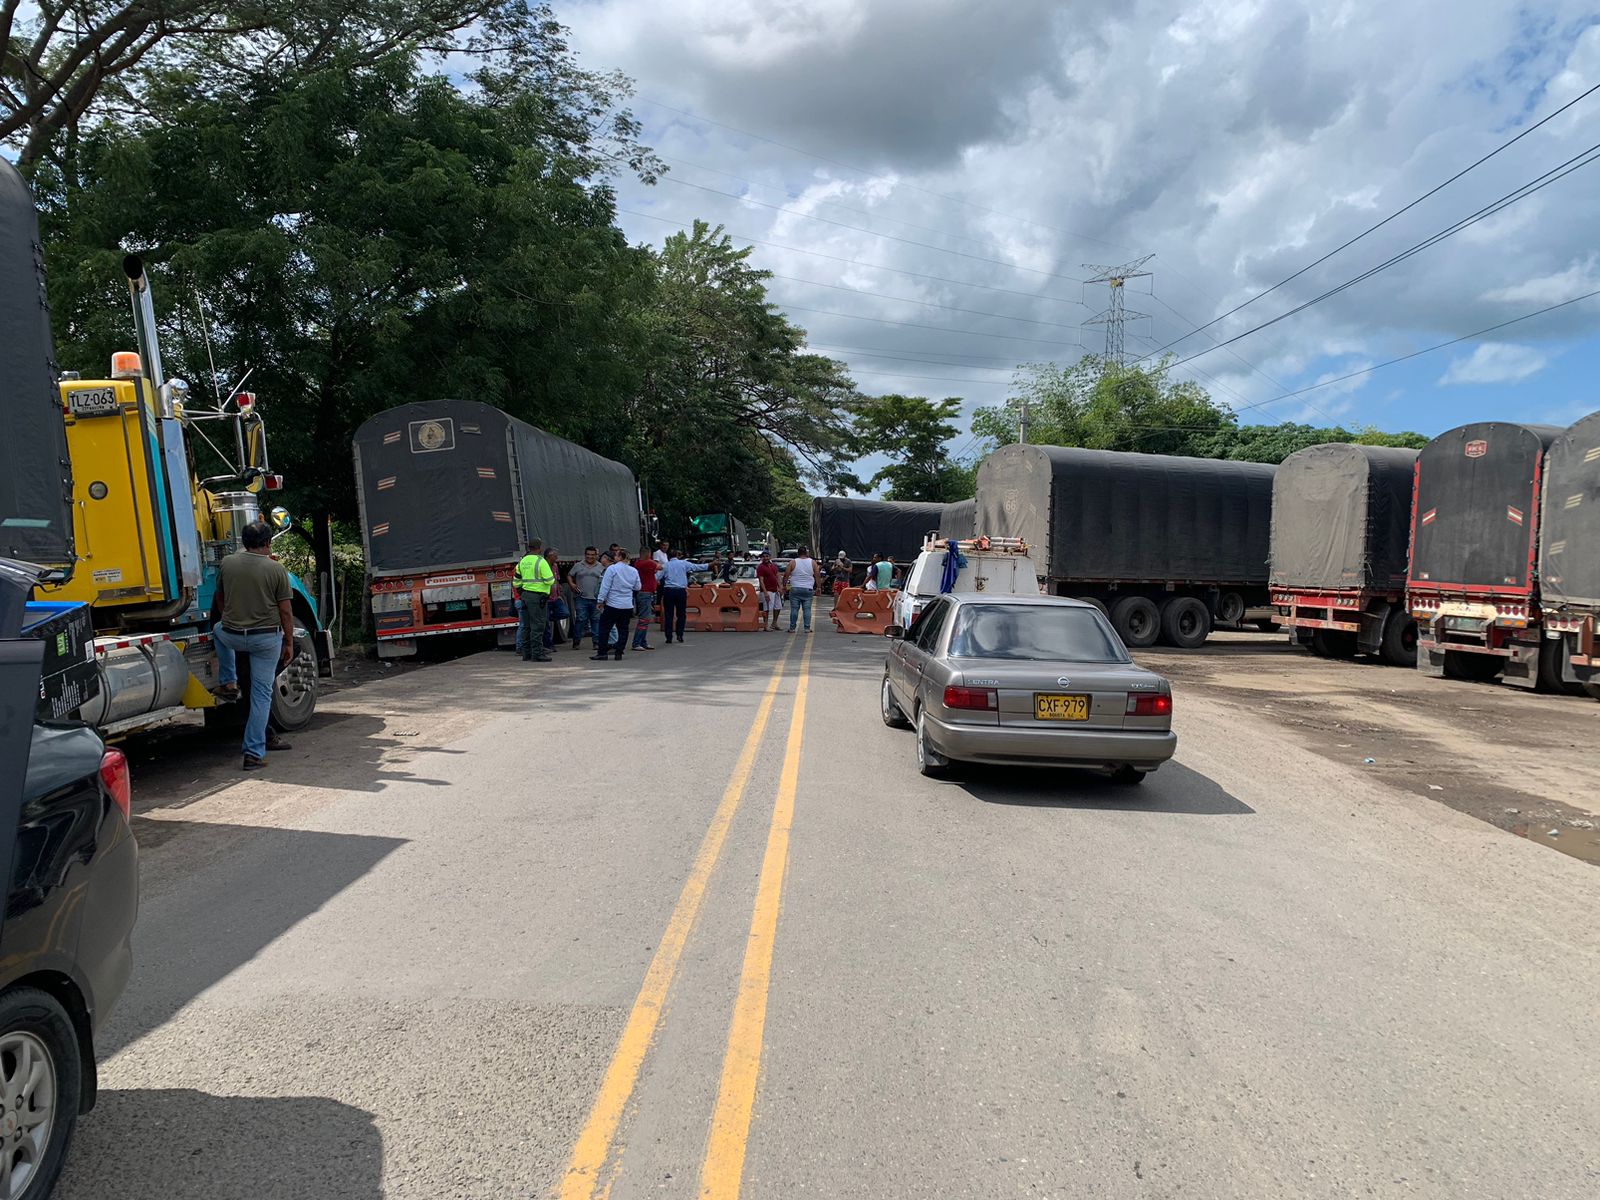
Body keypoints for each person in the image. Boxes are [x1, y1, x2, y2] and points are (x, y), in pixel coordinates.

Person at [212, 520, 297, 771]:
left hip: (233, 635)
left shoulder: (227, 563)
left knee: (217, 630)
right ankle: (253, 754)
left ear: (244, 541)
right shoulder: (276, 569)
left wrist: (228, 619)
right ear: (268, 542)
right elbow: (286, 611)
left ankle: (229, 682)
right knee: (261, 695)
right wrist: (289, 642)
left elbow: (220, 597)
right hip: (266, 640)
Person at [593, 547, 641, 661]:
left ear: (620, 557)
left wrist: (600, 600)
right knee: (623, 629)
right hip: (627, 605)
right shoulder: (633, 571)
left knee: (604, 628)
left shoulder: (612, 569)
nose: (614, 557)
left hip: (613, 604)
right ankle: (619, 652)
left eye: (616, 555)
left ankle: (602, 653)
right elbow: (638, 587)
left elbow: (605, 586)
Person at [657, 548, 711, 643]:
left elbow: (657, 577)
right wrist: (710, 564)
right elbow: (696, 567)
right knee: (681, 614)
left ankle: (669, 637)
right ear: (678, 556)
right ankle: (680, 634)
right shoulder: (683, 563)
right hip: (681, 591)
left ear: (668, 556)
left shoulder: (665, 565)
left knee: (668, 614)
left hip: (669, 591)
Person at [514, 538, 555, 663]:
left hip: (525, 596)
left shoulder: (522, 562)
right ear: (540, 548)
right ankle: (537, 654)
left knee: (526, 626)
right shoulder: (541, 561)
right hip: (538, 597)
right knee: (537, 625)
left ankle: (526, 653)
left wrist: (523, 593)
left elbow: (516, 582)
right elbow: (550, 580)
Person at [568, 546, 606, 651]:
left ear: (596, 555)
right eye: (588, 554)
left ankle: (596, 642)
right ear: (585, 555)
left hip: (596, 599)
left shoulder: (601, 567)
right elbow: (569, 575)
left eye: (592, 555)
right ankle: (576, 642)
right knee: (580, 619)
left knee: (596, 620)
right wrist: (571, 584)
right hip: (581, 598)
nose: (590, 557)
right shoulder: (578, 565)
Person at [785, 544, 818, 633]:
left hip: (795, 588)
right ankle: (807, 628)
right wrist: (819, 587)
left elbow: (786, 574)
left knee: (794, 609)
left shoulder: (793, 562)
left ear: (798, 553)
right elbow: (817, 574)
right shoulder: (812, 562)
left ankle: (792, 628)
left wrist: (784, 585)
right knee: (807, 609)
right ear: (806, 553)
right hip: (808, 588)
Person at [631, 548, 660, 651]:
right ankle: (637, 642)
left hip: (645, 593)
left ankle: (643, 642)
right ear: (648, 554)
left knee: (645, 619)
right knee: (644, 619)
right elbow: (660, 567)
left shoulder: (638, 563)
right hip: (645, 593)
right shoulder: (647, 563)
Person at [544, 549, 568, 651]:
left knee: (565, 613)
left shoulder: (555, 566)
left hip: (555, 597)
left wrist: (558, 593)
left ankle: (549, 618)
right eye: (555, 556)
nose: (557, 557)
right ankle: (549, 645)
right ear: (548, 556)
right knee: (547, 626)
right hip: (547, 599)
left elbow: (556, 580)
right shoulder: (542, 566)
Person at [755, 550, 783, 631]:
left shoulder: (773, 565)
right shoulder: (761, 567)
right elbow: (761, 580)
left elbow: (777, 576)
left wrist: (780, 587)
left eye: (767, 556)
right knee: (766, 609)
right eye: (764, 556)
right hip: (767, 590)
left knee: (778, 607)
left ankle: (774, 623)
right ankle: (765, 625)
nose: (765, 558)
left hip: (775, 590)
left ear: (770, 557)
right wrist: (765, 592)